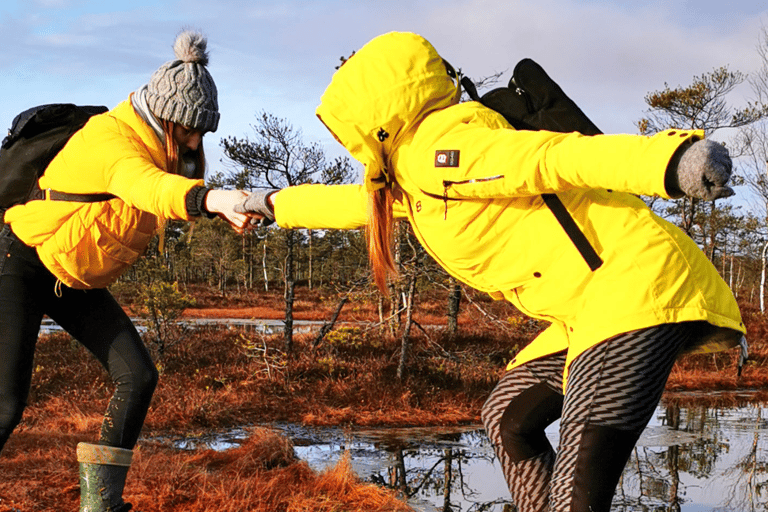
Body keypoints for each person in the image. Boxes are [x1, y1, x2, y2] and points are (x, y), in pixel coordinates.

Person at [236, 32, 746, 512]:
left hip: (637, 288)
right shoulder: (414, 178)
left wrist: (671, 157)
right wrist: (268, 203)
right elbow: (351, 204)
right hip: (593, 306)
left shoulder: (442, 153)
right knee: (508, 415)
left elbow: (553, 158)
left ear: (374, 117)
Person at [0, 30, 249, 511]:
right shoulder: (112, 141)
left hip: (72, 275)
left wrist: (237, 203)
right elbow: (147, 187)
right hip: (22, 260)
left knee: (138, 376)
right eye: (191, 130)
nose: (197, 141)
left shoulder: (163, 150)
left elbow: (163, 188)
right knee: (6, 407)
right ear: (167, 118)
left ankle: (101, 505)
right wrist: (212, 199)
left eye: (204, 131)